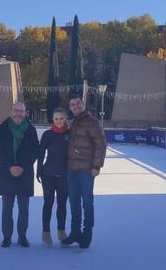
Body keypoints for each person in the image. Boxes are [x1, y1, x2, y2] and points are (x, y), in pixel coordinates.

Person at [62, 95, 107, 249]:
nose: (76, 106)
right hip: (72, 170)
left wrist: (96, 166)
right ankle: (75, 232)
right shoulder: (73, 122)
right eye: (73, 104)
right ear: (70, 107)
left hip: (86, 171)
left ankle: (86, 233)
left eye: (78, 103)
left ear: (83, 104)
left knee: (87, 203)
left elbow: (101, 145)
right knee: (74, 202)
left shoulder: (92, 122)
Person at [0, 102, 39, 248]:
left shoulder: (31, 129)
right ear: (10, 111)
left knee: (23, 208)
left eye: (21, 111)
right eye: (16, 111)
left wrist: (22, 167)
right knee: (7, 208)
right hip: (7, 173)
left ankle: (22, 236)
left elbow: (34, 151)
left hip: (24, 173)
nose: (18, 113)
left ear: (25, 112)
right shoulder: (3, 127)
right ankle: (6, 237)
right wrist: (10, 167)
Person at [37, 108, 70, 246]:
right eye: (56, 118)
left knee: (62, 204)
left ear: (65, 119)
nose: (59, 121)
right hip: (48, 175)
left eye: (61, 118)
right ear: (53, 119)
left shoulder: (71, 134)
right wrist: (38, 171)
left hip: (65, 175)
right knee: (48, 203)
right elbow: (40, 154)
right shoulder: (47, 135)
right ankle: (45, 232)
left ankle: (61, 231)